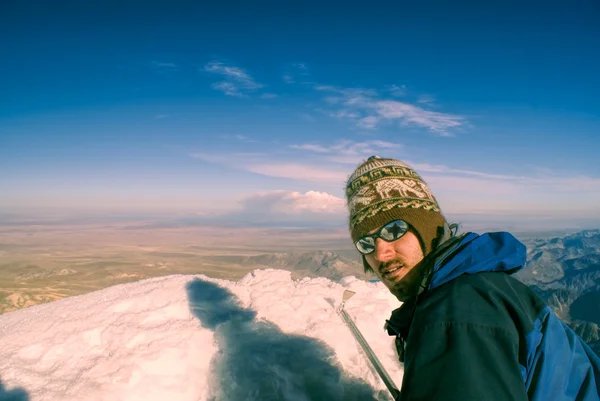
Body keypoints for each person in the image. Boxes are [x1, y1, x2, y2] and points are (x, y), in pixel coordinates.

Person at [344, 155, 600, 400]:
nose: (381, 253)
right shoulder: (482, 286)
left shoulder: (456, 312)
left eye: (393, 230)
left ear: (426, 228)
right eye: (365, 243)